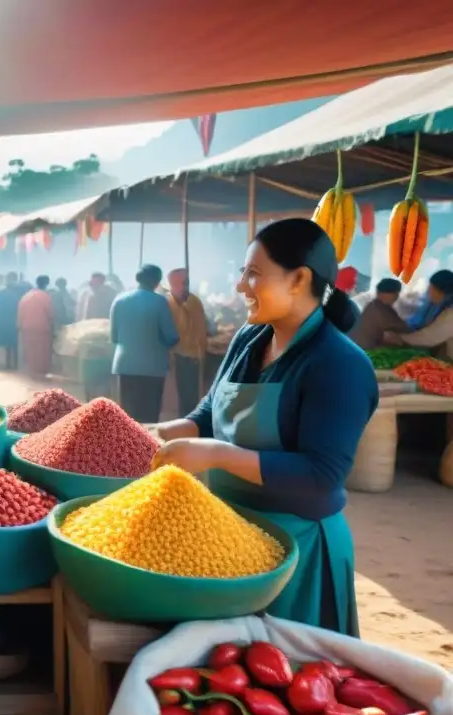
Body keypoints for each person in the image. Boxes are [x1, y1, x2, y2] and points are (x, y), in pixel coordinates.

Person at [150, 219, 376, 635]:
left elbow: (322, 477)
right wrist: (151, 431)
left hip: (298, 552)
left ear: (299, 279)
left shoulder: (338, 364)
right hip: (231, 538)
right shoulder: (250, 339)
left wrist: (218, 455)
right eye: (243, 273)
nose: (241, 287)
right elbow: (208, 416)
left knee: (291, 678)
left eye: (253, 274)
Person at [111, 265, 179, 423]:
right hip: (152, 367)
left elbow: (114, 337)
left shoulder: (119, 300)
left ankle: (125, 447)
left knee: (127, 417)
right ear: (157, 282)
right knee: (149, 416)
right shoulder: (159, 302)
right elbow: (170, 336)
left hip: (125, 365)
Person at [165, 268, 208, 416]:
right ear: (172, 282)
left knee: (190, 398)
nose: (185, 285)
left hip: (192, 356)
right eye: (182, 282)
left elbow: (202, 327)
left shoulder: (194, 301)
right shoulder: (166, 302)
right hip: (172, 356)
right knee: (173, 399)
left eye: (186, 281)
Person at [391, 269, 453, 357]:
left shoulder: (450, 315)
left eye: (430, 288)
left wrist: (400, 338)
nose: (428, 292)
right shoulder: (443, 308)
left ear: (439, 291)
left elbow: (429, 337)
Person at [348, 278, 408, 351]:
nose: (397, 296)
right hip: (367, 352)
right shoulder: (380, 310)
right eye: (396, 293)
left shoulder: (373, 305)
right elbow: (401, 329)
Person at [17, 275, 55, 377]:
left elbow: (20, 313)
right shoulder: (45, 296)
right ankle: (41, 373)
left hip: (26, 327)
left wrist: (20, 325)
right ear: (46, 284)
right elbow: (50, 314)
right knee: (42, 351)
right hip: (41, 327)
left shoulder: (26, 296)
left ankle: (31, 371)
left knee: (30, 350)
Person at [0, 271, 24, 370]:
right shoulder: (18, 292)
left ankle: (9, 364)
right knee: (13, 343)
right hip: (12, 319)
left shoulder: (0, 293)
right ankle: (15, 364)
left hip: (5, 320)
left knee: (8, 344)